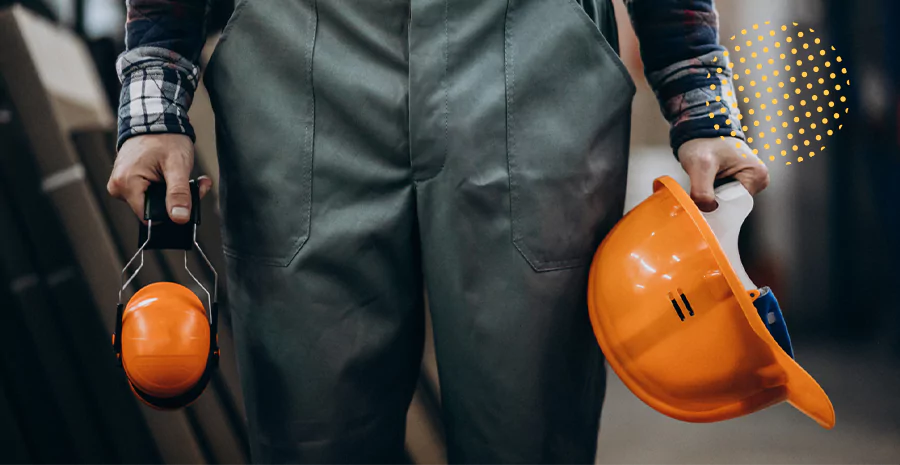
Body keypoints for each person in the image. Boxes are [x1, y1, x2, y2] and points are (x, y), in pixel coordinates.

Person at [108, 0, 769, 463]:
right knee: (312, 435)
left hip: (530, 52)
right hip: (300, 58)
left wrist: (702, 104)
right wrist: (154, 101)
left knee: (529, 434)